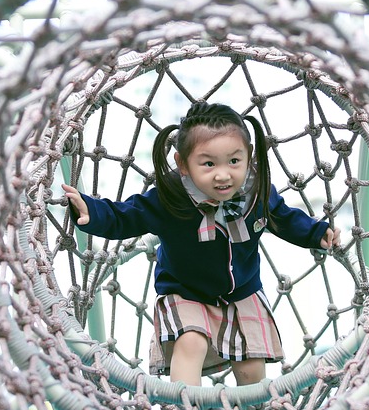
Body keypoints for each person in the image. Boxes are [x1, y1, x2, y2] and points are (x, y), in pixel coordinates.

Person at [62, 101, 338, 387]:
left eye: (234, 161)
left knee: (251, 363)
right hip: (185, 292)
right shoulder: (170, 198)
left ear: (249, 157)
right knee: (190, 343)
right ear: (183, 164)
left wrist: (316, 233)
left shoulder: (257, 192)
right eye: (208, 164)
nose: (222, 174)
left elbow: (284, 218)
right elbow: (126, 215)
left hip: (242, 292)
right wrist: (90, 211)